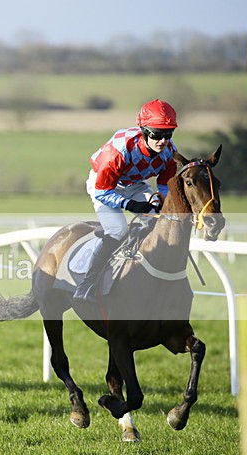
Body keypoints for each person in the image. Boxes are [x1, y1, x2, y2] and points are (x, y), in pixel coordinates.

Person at [73, 99, 179, 303]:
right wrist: (130, 205)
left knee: (160, 222)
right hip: (104, 185)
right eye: (157, 135)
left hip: (135, 184)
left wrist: (160, 202)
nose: (163, 141)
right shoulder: (119, 152)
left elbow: (165, 185)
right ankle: (86, 285)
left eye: (168, 134)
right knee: (118, 230)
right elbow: (103, 191)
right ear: (144, 131)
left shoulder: (168, 152)